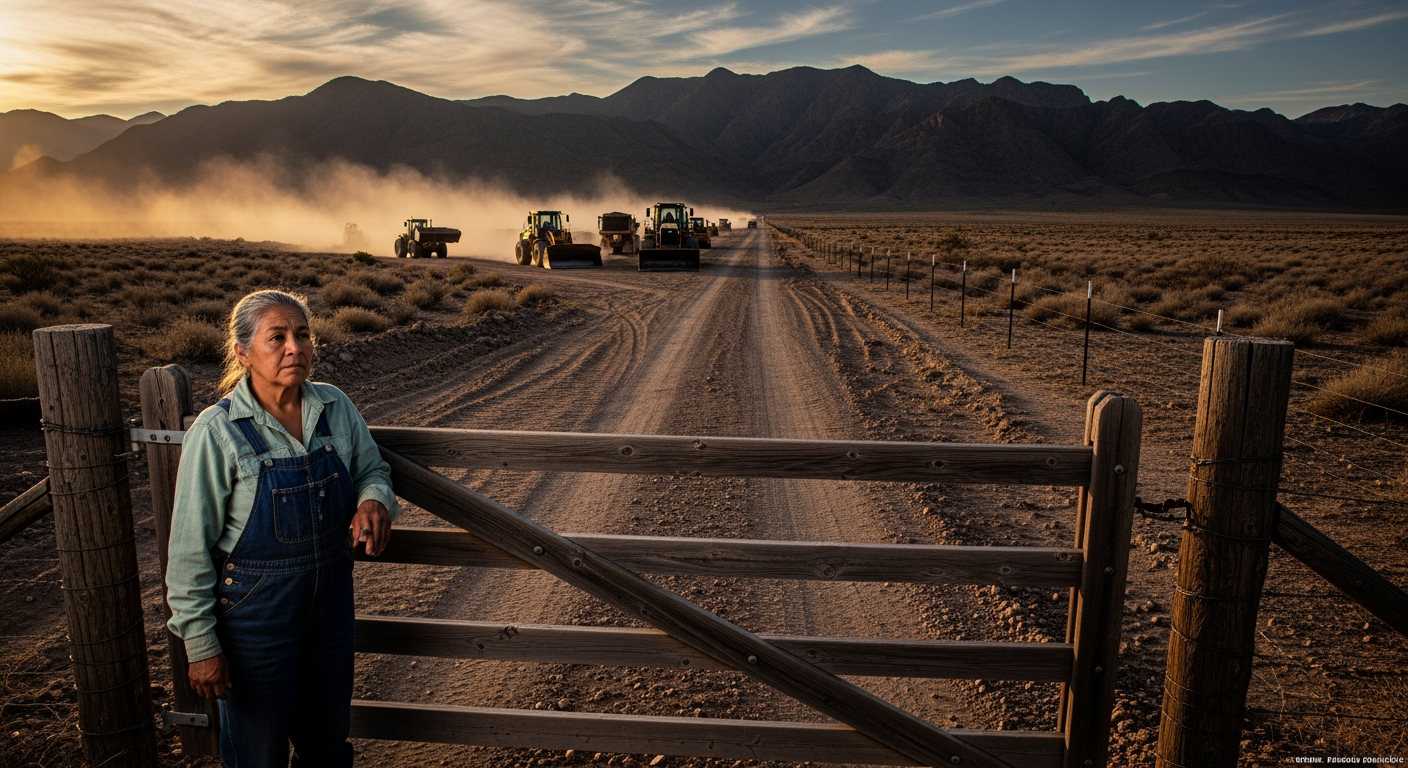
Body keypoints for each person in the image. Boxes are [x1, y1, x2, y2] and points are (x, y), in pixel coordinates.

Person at [166, 289, 398, 767]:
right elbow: (189, 553)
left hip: (331, 607)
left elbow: (372, 469)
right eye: (277, 337)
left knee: (328, 747)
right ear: (243, 353)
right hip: (255, 619)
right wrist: (202, 645)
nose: (295, 347)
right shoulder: (217, 431)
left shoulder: (334, 407)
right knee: (258, 755)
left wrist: (374, 500)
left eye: (303, 334)